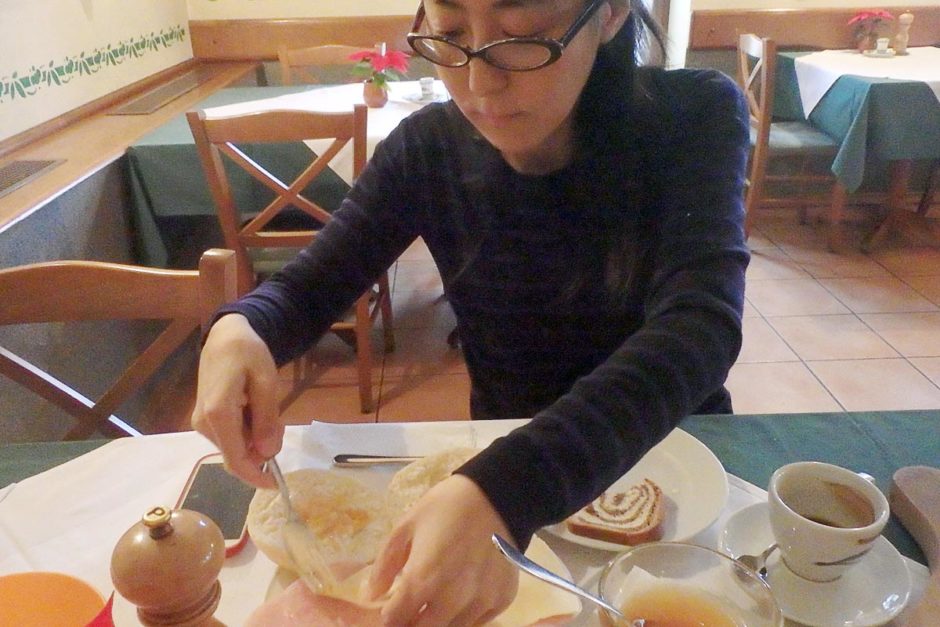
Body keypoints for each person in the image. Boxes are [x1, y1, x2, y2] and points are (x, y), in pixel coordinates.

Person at [191, 0, 750, 624]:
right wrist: (241, 329)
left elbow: (698, 328)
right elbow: (304, 289)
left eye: (521, 36)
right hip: (494, 478)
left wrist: (507, 489)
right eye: (451, 32)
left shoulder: (694, 115)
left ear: (613, 11)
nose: (479, 83)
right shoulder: (428, 148)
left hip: (670, 465)